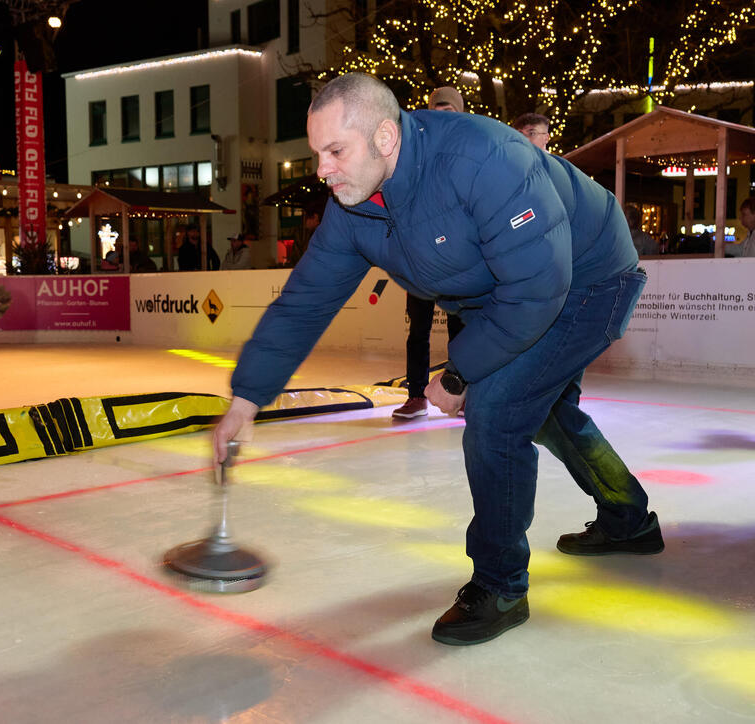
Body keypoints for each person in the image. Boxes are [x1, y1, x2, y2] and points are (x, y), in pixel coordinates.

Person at [212, 73, 659, 646]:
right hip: (512, 289)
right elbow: (303, 303)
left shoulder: (483, 159)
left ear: (385, 138)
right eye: (316, 153)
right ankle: (628, 518)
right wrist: (246, 398)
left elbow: (537, 289)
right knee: (537, 408)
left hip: (588, 278)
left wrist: (458, 371)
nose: (321, 169)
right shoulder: (354, 207)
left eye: (334, 151)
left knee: (497, 413)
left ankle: (500, 586)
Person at [394, 86, 467, 419]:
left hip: (457, 258)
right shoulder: (415, 154)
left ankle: (464, 393)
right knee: (418, 329)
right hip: (420, 258)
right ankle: (416, 395)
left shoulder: (469, 151)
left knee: (461, 328)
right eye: (434, 112)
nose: (439, 120)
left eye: (447, 112)